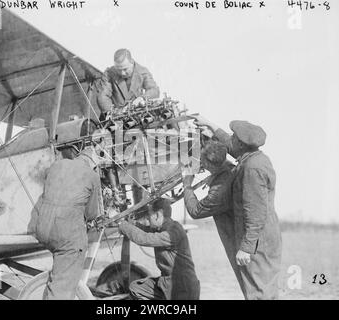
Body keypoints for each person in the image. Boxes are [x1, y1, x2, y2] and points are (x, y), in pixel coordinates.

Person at [193, 115, 282, 300]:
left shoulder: (251, 170)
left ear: (241, 145)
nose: (230, 141)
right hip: (262, 237)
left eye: (234, 138)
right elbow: (230, 145)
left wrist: (246, 248)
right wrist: (211, 125)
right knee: (261, 289)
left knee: (259, 293)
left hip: (257, 240)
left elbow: (256, 213)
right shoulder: (254, 157)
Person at [28, 146, 104, 300]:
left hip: (42, 229)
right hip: (66, 237)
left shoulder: (57, 165)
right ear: (93, 162)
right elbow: (91, 214)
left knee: (60, 264)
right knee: (62, 288)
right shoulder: (92, 175)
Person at [182, 140, 244, 291]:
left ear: (209, 165)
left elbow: (196, 211)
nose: (201, 165)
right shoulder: (229, 167)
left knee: (246, 280)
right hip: (242, 234)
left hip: (236, 237)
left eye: (202, 162)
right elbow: (224, 174)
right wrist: (213, 177)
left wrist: (187, 186)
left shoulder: (219, 190)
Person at [118, 198, 200, 300]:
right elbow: (148, 231)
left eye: (149, 215)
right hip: (168, 283)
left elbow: (145, 238)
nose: (148, 219)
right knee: (136, 288)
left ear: (157, 215)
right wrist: (133, 224)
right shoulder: (165, 228)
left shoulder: (172, 232)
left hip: (182, 287)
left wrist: (122, 225)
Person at [97, 48, 160, 113]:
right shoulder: (108, 73)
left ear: (132, 62)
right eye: (118, 69)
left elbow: (154, 90)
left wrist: (142, 98)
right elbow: (103, 96)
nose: (122, 73)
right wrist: (113, 112)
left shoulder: (142, 71)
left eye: (125, 69)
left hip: (137, 113)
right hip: (117, 115)